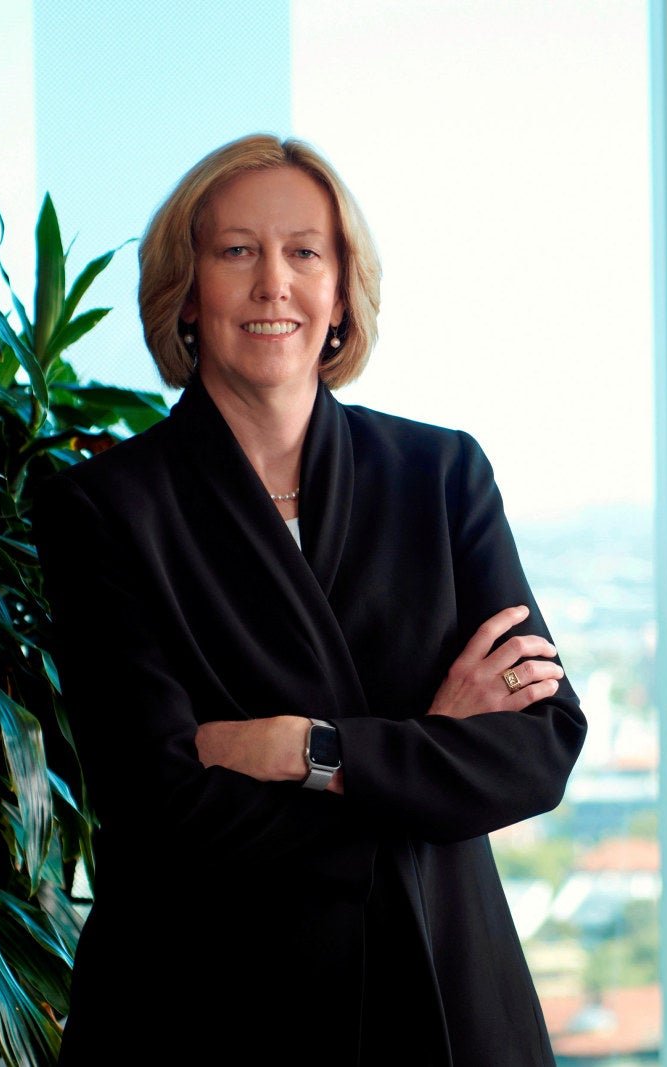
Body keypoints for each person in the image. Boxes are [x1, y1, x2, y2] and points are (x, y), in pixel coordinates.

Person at [32, 134, 586, 1066]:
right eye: (236, 250)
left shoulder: (441, 474)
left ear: (340, 292)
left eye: (304, 252)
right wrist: (429, 747)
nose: (273, 284)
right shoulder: (105, 508)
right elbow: (163, 810)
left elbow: (540, 748)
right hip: (207, 1008)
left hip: (440, 988)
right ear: (186, 292)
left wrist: (307, 749)